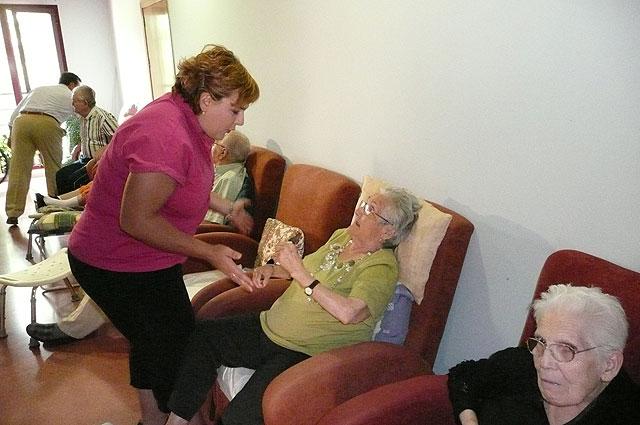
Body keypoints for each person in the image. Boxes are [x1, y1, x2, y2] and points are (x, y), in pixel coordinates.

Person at [66, 45, 259, 425]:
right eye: (235, 110)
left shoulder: (186, 118)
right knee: (179, 358)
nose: (239, 121)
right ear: (206, 100)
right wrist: (209, 251)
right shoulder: (167, 133)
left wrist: (227, 207)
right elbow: (137, 220)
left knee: (153, 345)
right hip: (115, 262)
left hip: (143, 259)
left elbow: (182, 181)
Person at [164, 187, 422, 425]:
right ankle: (177, 421)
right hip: (269, 326)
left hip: (304, 352)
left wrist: (300, 273)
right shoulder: (342, 236)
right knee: (205, 335)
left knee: (240, 418)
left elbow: (350, 312)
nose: (359, 211)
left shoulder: (381, 267)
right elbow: (303, 269)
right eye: (363, 204)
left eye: (370, 209)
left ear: (387, 231)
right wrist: (273, 269)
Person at [25, 130, 249, 344]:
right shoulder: (210, 167)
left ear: (223, 152)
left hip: (179, 236)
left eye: (217, 146)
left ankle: (73, 328)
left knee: (118, 272)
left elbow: (210, 221)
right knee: (115, 261)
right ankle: (74, 326)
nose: (212, 148)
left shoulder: (228, 177)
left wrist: (162, 225)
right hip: (162, 227)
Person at [447, 284, 640, 425]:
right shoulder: (521, 364)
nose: (544, 363)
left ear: (609, 365)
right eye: (541, 342)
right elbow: (464, 375)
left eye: (566, 349)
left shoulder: (626, 413)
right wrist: (469, 420)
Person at [5, 71, 81, 224]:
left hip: (21, 122)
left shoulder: (39, 90)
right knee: (53, 167)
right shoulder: (71, 95)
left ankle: (13, 212)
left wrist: (11, 134)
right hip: (47, 123)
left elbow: (14, 114)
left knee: (18, 169)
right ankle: (54, 204)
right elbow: (82, 115)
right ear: (72, 84)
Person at [55, 85, 119, 195]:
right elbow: (90, 138)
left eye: (75, 101)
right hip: (84, 159)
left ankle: (75, 204)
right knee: (61, 175)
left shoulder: (103, 118)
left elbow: (120, 139)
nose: (72, 104)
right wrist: (77, 148)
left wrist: (104, 150)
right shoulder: (83, 118)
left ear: (85, 103)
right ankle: (60, 203)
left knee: (74, 181)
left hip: (96, 161)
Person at [204, 129, 252, 225]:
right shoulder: (219, 169)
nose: (211, 147)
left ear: (223, 153)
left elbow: (212, 222)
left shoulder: (229, 179)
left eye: (215, 144)